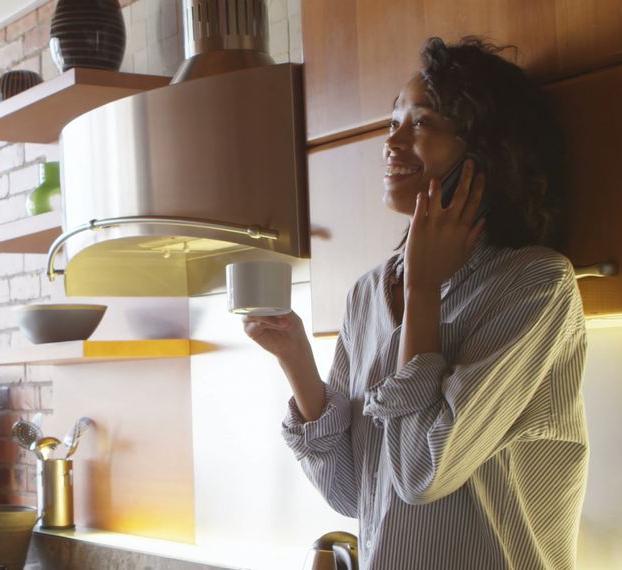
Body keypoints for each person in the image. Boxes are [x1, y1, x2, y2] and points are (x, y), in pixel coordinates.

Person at [244, 37, 587, 569]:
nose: (392, 142)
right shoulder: (366, 294)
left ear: (485, 150)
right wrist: (296, 359)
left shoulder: (535, 285)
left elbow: (422, 474)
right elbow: (352, 492)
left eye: (421, 123)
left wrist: (424, 292)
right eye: (391, 123)